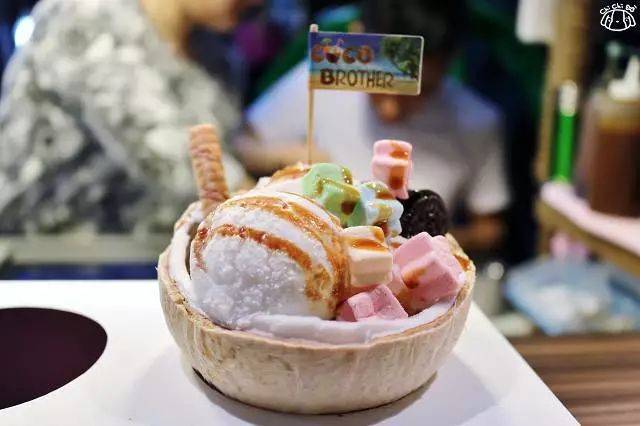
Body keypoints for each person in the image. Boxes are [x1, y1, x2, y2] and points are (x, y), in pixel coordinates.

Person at [240, 1, 510, 251]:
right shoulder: (325, 78)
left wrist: (421, 243)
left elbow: (490, 228)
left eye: (417, 88)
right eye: (380, 79)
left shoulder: (476, 121)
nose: (390, 109)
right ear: (358, 35)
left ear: (449, 61)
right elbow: (241, 142)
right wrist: (282, 157)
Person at [0, 0, 260, 233]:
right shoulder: (86, 15)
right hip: (32, 250)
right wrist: (267, 213)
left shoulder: (216, 52)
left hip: (133, 248)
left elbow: (223, 146)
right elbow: (171, 159)